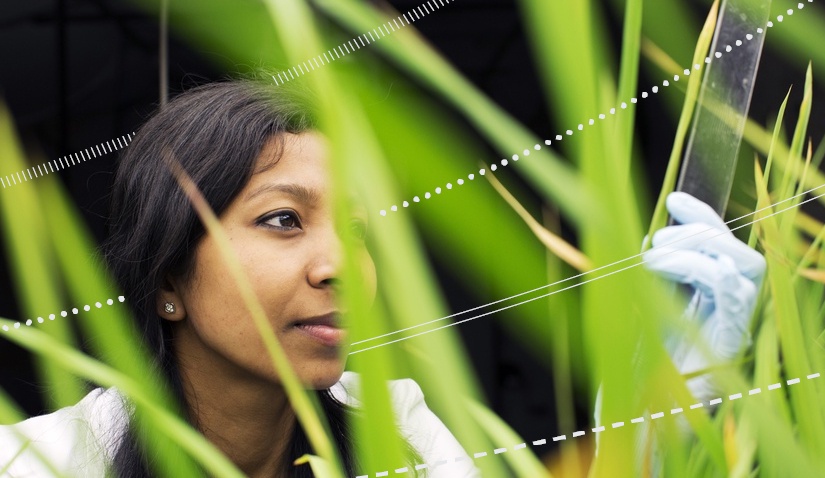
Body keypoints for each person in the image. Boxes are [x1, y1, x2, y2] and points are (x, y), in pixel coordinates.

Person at [0, 81, 479, 477]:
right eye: (284, 219)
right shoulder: (36, 463)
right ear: (168, 279)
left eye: (355, 229)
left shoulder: (401, 434)